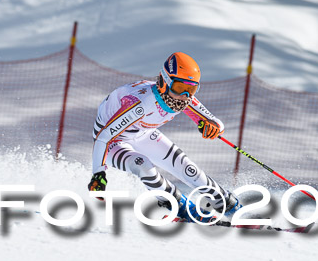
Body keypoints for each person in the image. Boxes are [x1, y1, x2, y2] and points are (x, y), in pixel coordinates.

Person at [87, 52, 240, 222]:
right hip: (112, 142)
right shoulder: (140, 103)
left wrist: (213, 127)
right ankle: (181, 208)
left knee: (187, 168)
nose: (185, 96)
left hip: (143, 134)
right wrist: (98, 174)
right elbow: (104, 137)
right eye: (180, 88)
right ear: (164, 81)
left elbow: (214, 122)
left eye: (191, 89)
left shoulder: (181, 99)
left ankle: (231, 206)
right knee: (143, 165)